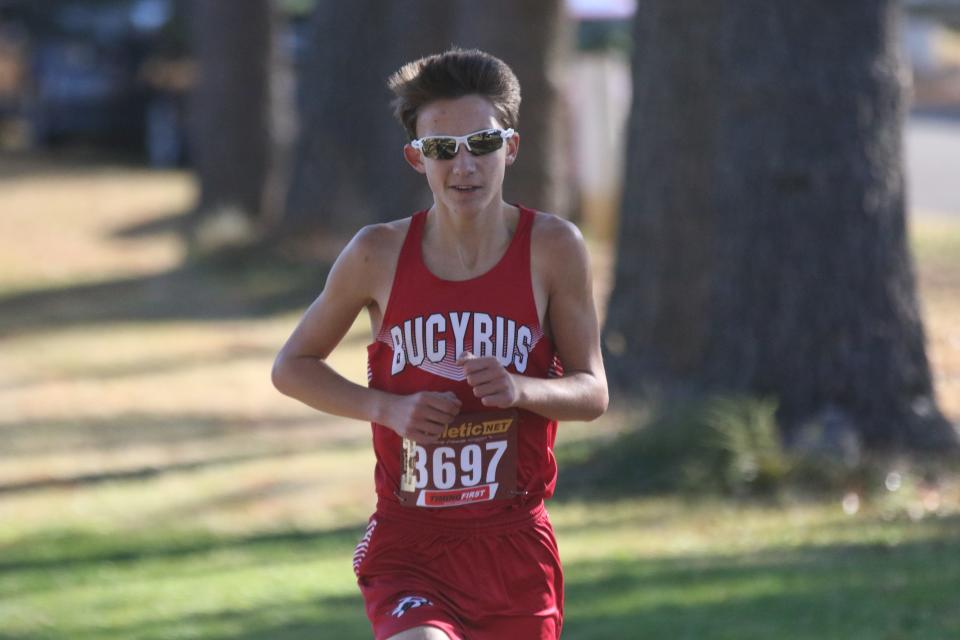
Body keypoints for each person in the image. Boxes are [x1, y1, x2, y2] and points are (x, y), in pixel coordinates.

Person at [272, 47, 608, 640]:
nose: (464, 166)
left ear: (511, 145)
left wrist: (520, 388)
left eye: (481, 143)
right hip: (411, 543)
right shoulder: (377, 253)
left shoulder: (554, 248)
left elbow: (592, 392)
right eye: (441, 149)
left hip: (514, 546)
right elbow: (293, 366)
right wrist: (387, 408)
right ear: (415, 157)